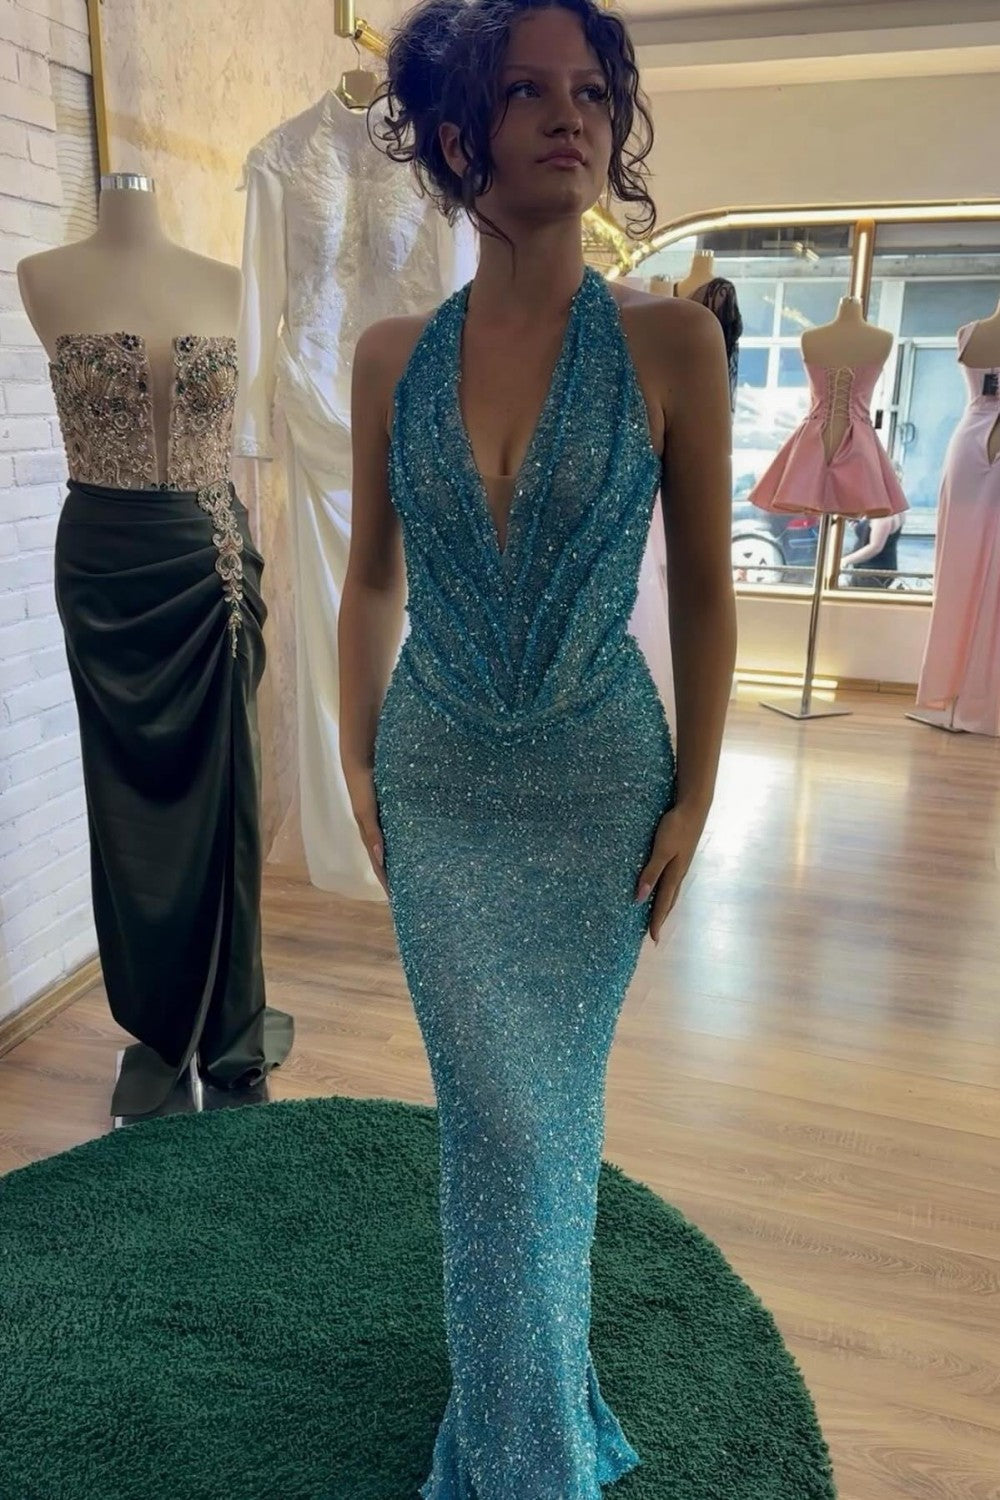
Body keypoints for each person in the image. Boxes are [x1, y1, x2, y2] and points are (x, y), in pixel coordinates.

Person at [337, 0, 737, 1492]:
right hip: (437, 783)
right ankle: (528, 1434)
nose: (569, 116)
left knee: (541, 1117)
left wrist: (699, 792)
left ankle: (527, 1431)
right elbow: (369, 579)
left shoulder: (673, 342)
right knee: (494, 1120)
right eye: (526, 92)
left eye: (590, 92)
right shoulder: (391, 356)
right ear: (459, 132)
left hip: (597, 788)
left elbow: (703, 590)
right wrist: (357, 759)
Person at [841, 512, 904, 588]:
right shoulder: (895, 511)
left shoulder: (882, 517)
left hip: (872, 572)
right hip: (870, 569)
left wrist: (845, 560)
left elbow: (875, 547)